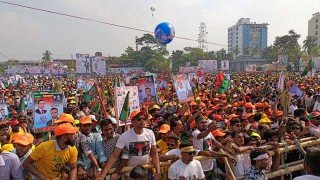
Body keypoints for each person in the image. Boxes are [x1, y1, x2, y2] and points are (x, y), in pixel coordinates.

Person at [96, 109, 160, 180]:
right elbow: (114, 156)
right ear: (132, 121)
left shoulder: (150, 133)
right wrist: (102, 175)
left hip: (145, 173)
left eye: (143, 118)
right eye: (139, 119)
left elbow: (154, 154)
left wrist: (158, 172)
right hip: (129, 174)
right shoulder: (124, 136)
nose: (142, 121)